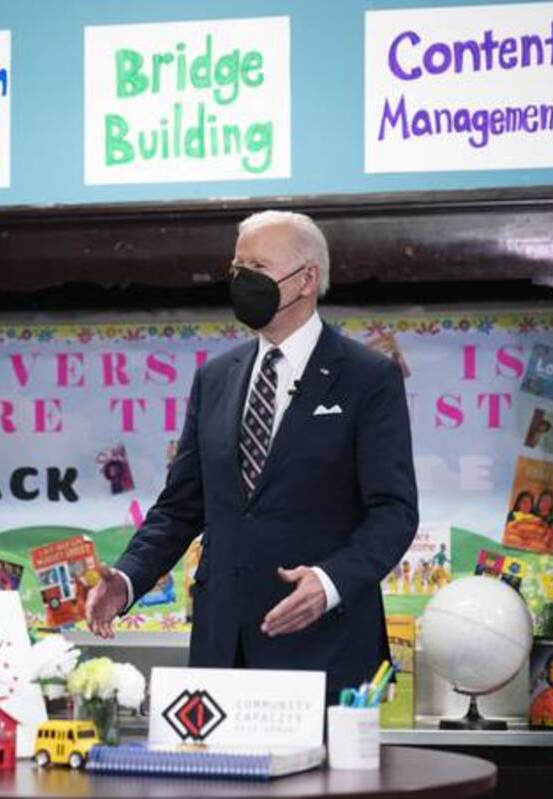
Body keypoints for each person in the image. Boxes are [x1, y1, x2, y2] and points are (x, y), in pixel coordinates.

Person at [86, 211, 419, 695]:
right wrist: (127, 578)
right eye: (236, 267)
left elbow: (394, 512)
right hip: (222, 653)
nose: (241, 280)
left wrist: (329, 583)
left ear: (307, 279)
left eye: (257, 267)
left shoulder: (368, 377)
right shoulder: (216, 377)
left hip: (325, 651)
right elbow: (183, 504)